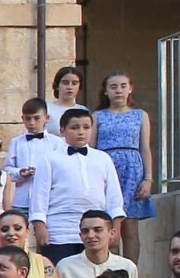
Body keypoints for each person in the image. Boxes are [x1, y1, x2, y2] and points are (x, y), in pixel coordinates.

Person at [31, 107, 125, 260]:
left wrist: (116, 227)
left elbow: (114, 196)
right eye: (74, 128)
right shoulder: (50, 159)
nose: (81, 132)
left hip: (96, 230)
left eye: (86, 127)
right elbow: (39, 196)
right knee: (60, 275)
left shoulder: (103, 158)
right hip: (60, 231)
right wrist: (40, 227)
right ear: (62, 130)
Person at [94, 69, 157, 256]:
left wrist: (148, 178)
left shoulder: (140, 115)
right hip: (107, 168)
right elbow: (92, 147)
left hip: (133, 171)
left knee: (130, 225)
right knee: (108, 222)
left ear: (130, 89)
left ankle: (131, 276)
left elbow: (145, 147)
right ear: (106, 91)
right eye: (113, 87)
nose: (118, 91)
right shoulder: (98, 116)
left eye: (123, 86)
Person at [53, 210, 137, 278]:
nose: (90, 236)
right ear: (80, 236)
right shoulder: (64, 267)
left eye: (98, 230)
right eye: (85, 231)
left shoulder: (127, 266)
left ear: (112, 233)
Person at [0, 209, 65, 278]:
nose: (11, 233)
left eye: (17, 228)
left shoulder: (43, 263)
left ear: (27, 231)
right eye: (5, 229)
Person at [4, 95, 55, 218]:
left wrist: (44, 173)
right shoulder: (16, 142)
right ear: (22, 118)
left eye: (36, 118)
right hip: (22, 201)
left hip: (48, 201)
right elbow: (7, 170)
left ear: (46, 118)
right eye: (28, 119)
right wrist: (20, 173)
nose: (32, 123)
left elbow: (61, 171)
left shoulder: (57, 143)